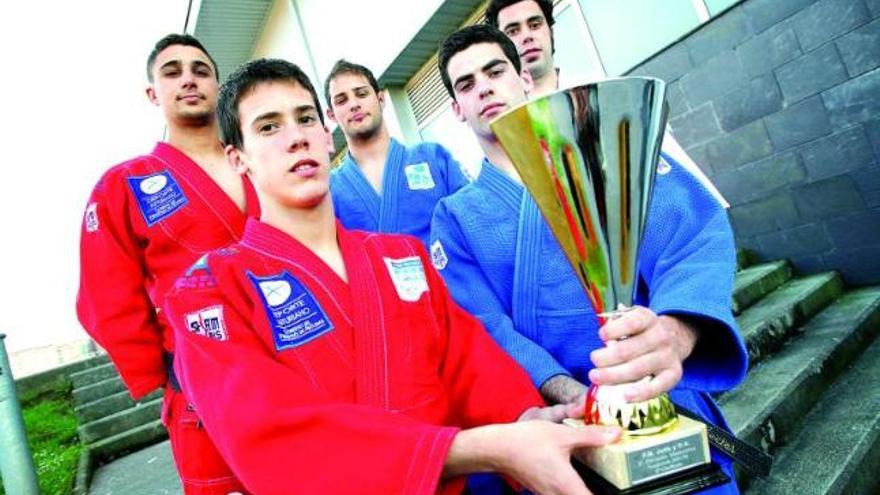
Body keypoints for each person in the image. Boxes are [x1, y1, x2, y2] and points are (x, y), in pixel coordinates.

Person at [163, 57, 621, 495]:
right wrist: (474, 449)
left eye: (305, 119)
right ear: (238, 158)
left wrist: (526, 420)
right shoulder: (209, 292)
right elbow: (270, 441)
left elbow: (469, 364)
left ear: (328, 135)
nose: (296, 138)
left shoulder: (401, 255)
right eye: (268, 127)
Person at [431, 24, 748, 493]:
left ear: (523, 78)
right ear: (457, 109)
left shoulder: (608, 153)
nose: (484, 88)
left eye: (495, 70)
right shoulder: (455, 216)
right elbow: (479, 323)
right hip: (555, 421)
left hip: (656, 394)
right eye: (466, 84)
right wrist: (565, 390)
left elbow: (693, 238)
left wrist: (674, 334)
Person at [76, 34, 253, 494]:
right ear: (153, 93)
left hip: (297, 363)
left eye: (200, 70)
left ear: (219, 86)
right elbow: (106, 297)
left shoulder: (258, 161)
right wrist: (169, 373)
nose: (189, 80)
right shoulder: (125, 185)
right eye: (172, 72)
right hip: (201, 385)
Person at [485, 0, 728, 206]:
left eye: (535, 24)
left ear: (551, 32)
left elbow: (669, 167)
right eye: (513, 30)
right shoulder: (507, 131)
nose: (527, 36)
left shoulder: (609, 92)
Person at [325, 59, 470, 247]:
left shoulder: (433, 158)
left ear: (381, 99)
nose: (354, 104)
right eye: (341, 100)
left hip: (447, 275)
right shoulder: (329, 189)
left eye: (361, 94)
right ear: (331, 115)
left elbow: (473, 223)